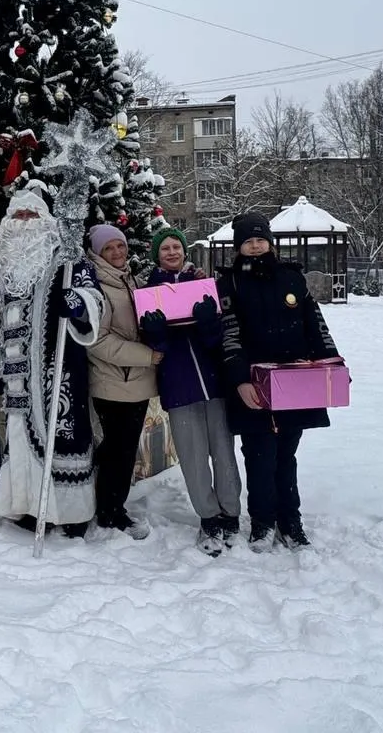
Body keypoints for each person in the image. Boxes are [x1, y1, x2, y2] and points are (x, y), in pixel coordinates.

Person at [216, 212, 340, 552]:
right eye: (248, 241)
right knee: (259, 453)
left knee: (287, 453)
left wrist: (333, 364)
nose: (255, 247)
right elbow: (229, 334)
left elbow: (315, 323)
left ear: (269, 241)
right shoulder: (228, 283)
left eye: (260, 240)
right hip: (254, 384)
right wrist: (241, 379)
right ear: (238, 246)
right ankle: (263, 521)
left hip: (294, 382)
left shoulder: (290, 277)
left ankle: (290, 520)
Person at [0, 187, 103, 538]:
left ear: (47, 221)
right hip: (16, 379)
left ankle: (71, 513)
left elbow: (94, 298)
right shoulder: (3, 266)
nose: (25, 222)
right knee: (21, 441)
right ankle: (26, 507)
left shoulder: (68, 260)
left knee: (63, 439)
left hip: (58, 370)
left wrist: (80, 302)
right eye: (19, 215)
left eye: (32, 215)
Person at [139, 227, 242, 555]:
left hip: (214, 384)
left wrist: (209, 323)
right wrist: (155, 333)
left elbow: (216, 341)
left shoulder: (202, 283)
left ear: (184, 250)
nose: (171, 252)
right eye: (165, 248)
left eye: (176, 247)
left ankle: (231, 511)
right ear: (157, 255)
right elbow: (154, 348)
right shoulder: (148, 291)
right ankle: (209, 516)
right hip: (179, 386)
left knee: (223, 452)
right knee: (194, 458)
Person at [84, 223, 160, 540]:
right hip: (114, 383)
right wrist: (146, 355)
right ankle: (110, 512)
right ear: (97, 253)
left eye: (120, 245)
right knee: (118, 452)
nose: (117, 252)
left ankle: (108, 505)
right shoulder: (99, 287)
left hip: (134, 382)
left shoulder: (128, 279)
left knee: (123, 451)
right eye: (109, 248)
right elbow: (97, 341)